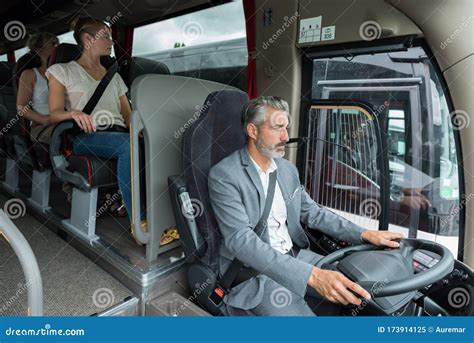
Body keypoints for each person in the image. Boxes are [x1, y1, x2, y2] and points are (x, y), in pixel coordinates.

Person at [208, 96, 403, 316]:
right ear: (253, 131)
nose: (285, 136)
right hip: (254, 272)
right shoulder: (225, 175)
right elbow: (241, 241)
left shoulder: (286, 170)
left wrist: (365, 233)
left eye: (286, 128)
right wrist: (311, 276)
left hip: (296, 256)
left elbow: (313, 213)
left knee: (364, 289)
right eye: (278, 128)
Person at [46, 17, 144, 241]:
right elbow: (53, 115)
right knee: (128, 145)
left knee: (148, 143)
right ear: (87, 39)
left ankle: (165, 217)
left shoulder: (115, 77)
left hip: (117, 132)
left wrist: (143, 131)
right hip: (85, 136)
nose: (112, 41)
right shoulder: (61, 71)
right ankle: (140, 222)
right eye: (106, 36)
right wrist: (74, 113)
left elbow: (128, 117)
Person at [16, 32, 59, 144]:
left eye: (57, 43)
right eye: (53, 44)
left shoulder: (63, 72)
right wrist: (44, 120)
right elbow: (21, 107)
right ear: (39, 49)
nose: (57, 47)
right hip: (42, 126)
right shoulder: (30, 74)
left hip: (64, 120)